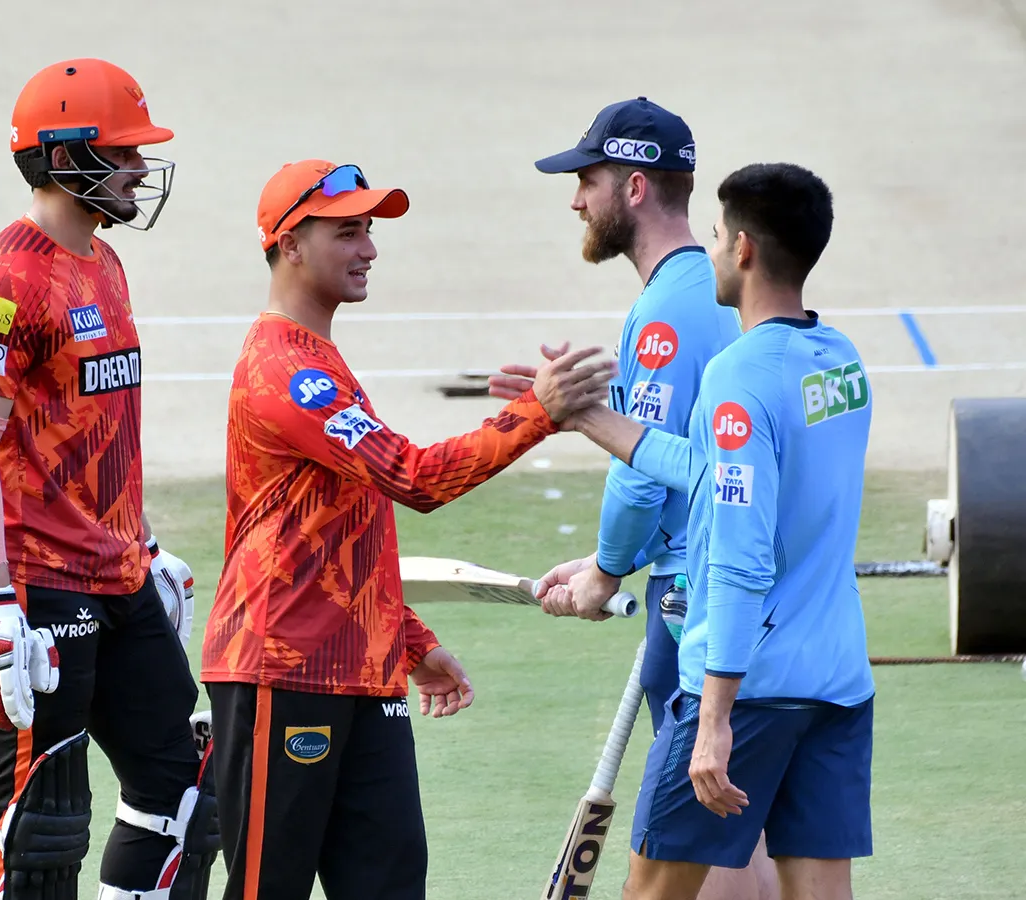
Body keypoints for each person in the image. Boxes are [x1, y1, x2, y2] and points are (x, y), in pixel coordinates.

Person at [199, 159, 617, 900]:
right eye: (348, 230)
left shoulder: (320, 362)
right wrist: (538, 414)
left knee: (391, 886)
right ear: (290, 244)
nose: (369, 248)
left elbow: (335, 534)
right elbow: (411, 477)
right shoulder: (286, 372)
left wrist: (407, 640)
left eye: (370, 229)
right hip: (283, 672)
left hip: (360, 670)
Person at [495, 162, 875, 900]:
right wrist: (585, 416)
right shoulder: (841, 365)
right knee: (821, 890)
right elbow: (709, 467)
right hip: (835, 681)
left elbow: (737, 561)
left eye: (717, 234)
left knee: (651, 890)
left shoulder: (737, 378)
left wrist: (714, 717)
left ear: (742, 250)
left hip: (750, 684)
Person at [0, 58, 218, 900]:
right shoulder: (4, 283)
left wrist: (142, 543)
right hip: (30, 579)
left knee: (186, 785)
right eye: (126, 150)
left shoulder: (101, 260)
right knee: (42, 814)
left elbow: (92, 433)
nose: (142, 166)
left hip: (112, 570)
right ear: (67, 161)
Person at [527, 98, 775, 900]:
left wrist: (605, 570)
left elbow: (647, 467)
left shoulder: (667, 308)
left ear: (633, 187)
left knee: (691, 827)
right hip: (719, 570)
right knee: (739, 821)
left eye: (587, 180)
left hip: (693, 588)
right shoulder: (706, 286)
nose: (574, 199)